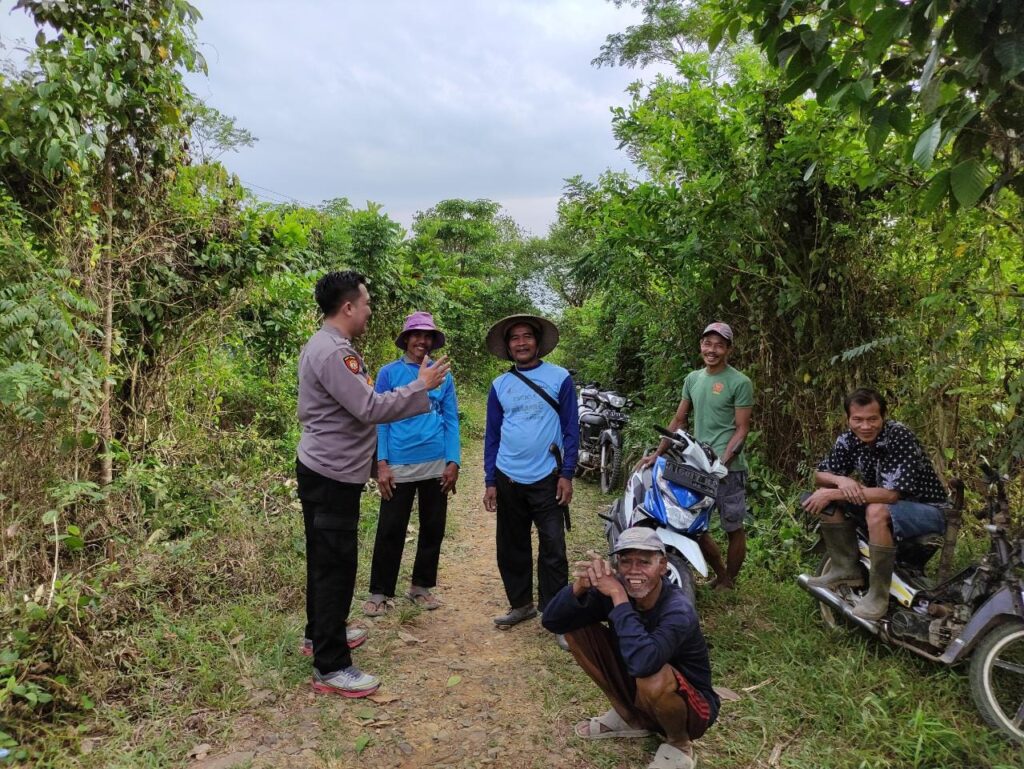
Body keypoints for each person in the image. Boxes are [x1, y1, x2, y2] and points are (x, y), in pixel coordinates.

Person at [296, 271, 450, 697]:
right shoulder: (333, 353)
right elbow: (367, 406)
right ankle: (331, 664)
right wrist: (420, 386)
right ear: (347, 307)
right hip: (329, 475)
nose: (368, 311)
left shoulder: (333, 347)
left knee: (325, 559)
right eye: (365, 304)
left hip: (328, 469)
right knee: (335, 566)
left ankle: (319, 635)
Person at [541, 527, 718, 769]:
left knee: (653, 675)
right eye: (626, 562)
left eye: (644, 562)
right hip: (640, 691)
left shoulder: (678, 610)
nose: (634, 571)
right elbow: (553, 622)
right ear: (617, 565)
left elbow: (643, 663)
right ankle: (630, 718)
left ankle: (679, 744)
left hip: (692, 708)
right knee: (575, 627)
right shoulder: (617, 591)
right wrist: (580, 587)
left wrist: (619, 597)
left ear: (663, 565)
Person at [801, 387, 948, 620]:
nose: (865, 426)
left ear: (883, 417)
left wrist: (834, 493)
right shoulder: (849, 439)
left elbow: (890, 496)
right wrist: (841, 480)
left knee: (875, 509)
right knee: (821, 494)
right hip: (885, 505)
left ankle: (878, 594)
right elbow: (820, 475)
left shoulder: (899, 436)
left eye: (872, 419)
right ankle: (844, 568)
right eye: (858, 420)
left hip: (929, 511)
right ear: (848, 419)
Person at [482, 314, 579, 641]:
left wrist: (567, 473)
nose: (521, 343)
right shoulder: (500, 385)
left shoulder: (560, 378)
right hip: (508, 476)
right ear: (508, 346)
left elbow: (570, 429)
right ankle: (521, 604)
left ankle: (555, 615)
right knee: (511, 545)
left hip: (548, 476)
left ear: (537, 342)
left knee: (554, 545)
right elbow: (492, 435)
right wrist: (490, 480)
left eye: (527, 336)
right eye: (514, 338)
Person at [638, 322, 753, 590]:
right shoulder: (693, 379)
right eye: (707, 344)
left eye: (719, 345)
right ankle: (721, 575)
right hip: (696, 463)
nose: (712, 350)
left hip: (728, 469)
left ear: (728, 350)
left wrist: (722, 463)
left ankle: (729, 581)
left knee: (733, 526)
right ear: (701, 345)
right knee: (693, 523)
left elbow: (742, 428)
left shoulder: (739, 382)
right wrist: (657, 453)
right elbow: (679, 420)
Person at [363, 312, 460, 616]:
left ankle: (420, 588)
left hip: (435, 462)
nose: (422, 341)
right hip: (399, 464)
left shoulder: (442, 374)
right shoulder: (389, 373)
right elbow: (381, 420)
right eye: (416, 335)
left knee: (433, 528)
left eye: (427, 336)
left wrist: (453, 460)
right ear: (406, 339)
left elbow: (450, 418)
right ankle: (379, 592)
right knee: (390, 528)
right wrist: (382, 462)